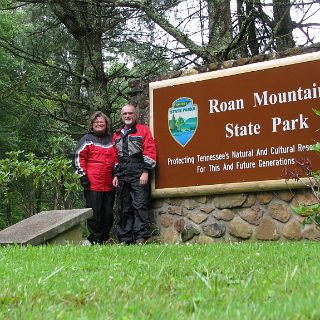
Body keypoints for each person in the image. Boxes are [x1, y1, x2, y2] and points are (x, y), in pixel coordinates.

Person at [112, 104, 156, 245]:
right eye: (125, 113)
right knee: (124, 207)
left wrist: (145, 171)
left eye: (130, 113)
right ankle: (125, 239)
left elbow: (150, 150)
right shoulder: (117, 134)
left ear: (135, 115)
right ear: (121, 115)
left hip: (138, 173)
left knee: (140, 206)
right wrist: (115, 175)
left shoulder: (143, 130)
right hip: (123, 175)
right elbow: (115, 157)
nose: (127, 116)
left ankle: (140, 237)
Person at [74, 111, 116, 245]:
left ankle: (105, 238)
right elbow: (78, 158)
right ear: (92, 125)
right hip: (93, 184)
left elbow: (118, 158)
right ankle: (95, 239)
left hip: (109, 183)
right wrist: (82, 176)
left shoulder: (112, 139)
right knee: (95, 213)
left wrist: (117, 174)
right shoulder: (86, 139)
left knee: (108, 213)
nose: (99, 124)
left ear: (106, 124)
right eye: (96, 122)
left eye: (102, 122)